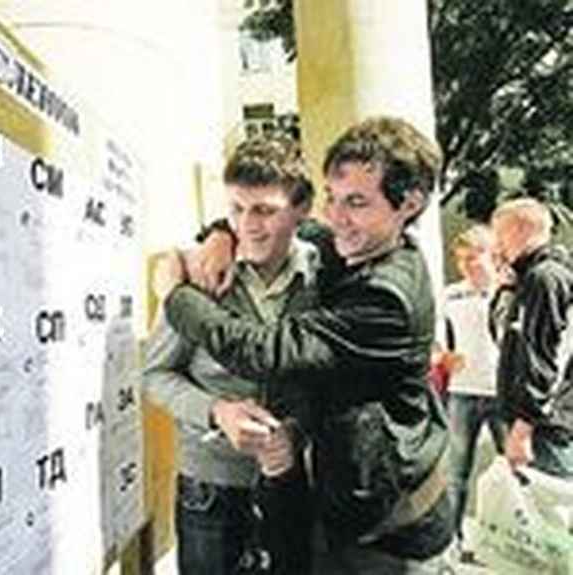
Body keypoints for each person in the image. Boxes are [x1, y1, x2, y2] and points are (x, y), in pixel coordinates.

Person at [154, 116, 454, 573]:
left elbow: (262, 352)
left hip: (386, 523)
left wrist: (174, 293)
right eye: (333, 197)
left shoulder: (382, 293)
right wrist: (220, 233)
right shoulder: (347, 243)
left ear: (409, 204)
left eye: (356, 202)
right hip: (230, 485)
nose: (336, 217)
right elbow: (155, 373)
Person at [143, 136, 324, 574]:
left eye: (264, 210)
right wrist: (216, 411)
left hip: (294, 483)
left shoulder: (324, 275)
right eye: (236, 210)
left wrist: (296, 432)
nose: (248, 226)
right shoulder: (198, 273)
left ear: (301, 208)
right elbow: (154, 375)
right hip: (210, 489)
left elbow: (325, 378)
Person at [491, 198, 573, 477]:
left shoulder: (544, 278)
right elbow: (505, 340)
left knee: (555, 499)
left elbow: (546, 356)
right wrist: (506, 289)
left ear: (518, 230)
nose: (497, 244)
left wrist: (524, 426)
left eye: (499, 234)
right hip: (538, 422)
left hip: (546, 426)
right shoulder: (529, 277)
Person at [441, 225, 506, 561]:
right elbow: (434, 336)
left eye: (473, 258)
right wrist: (442, 356)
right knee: (456, 474)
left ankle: (512, 541)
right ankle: (452, 543)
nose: (465, 265)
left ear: (493, 257)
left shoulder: (509, 291)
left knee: (513, 473)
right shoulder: (451, 294)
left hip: (503, 394)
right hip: (462, 392)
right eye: (460, 259)